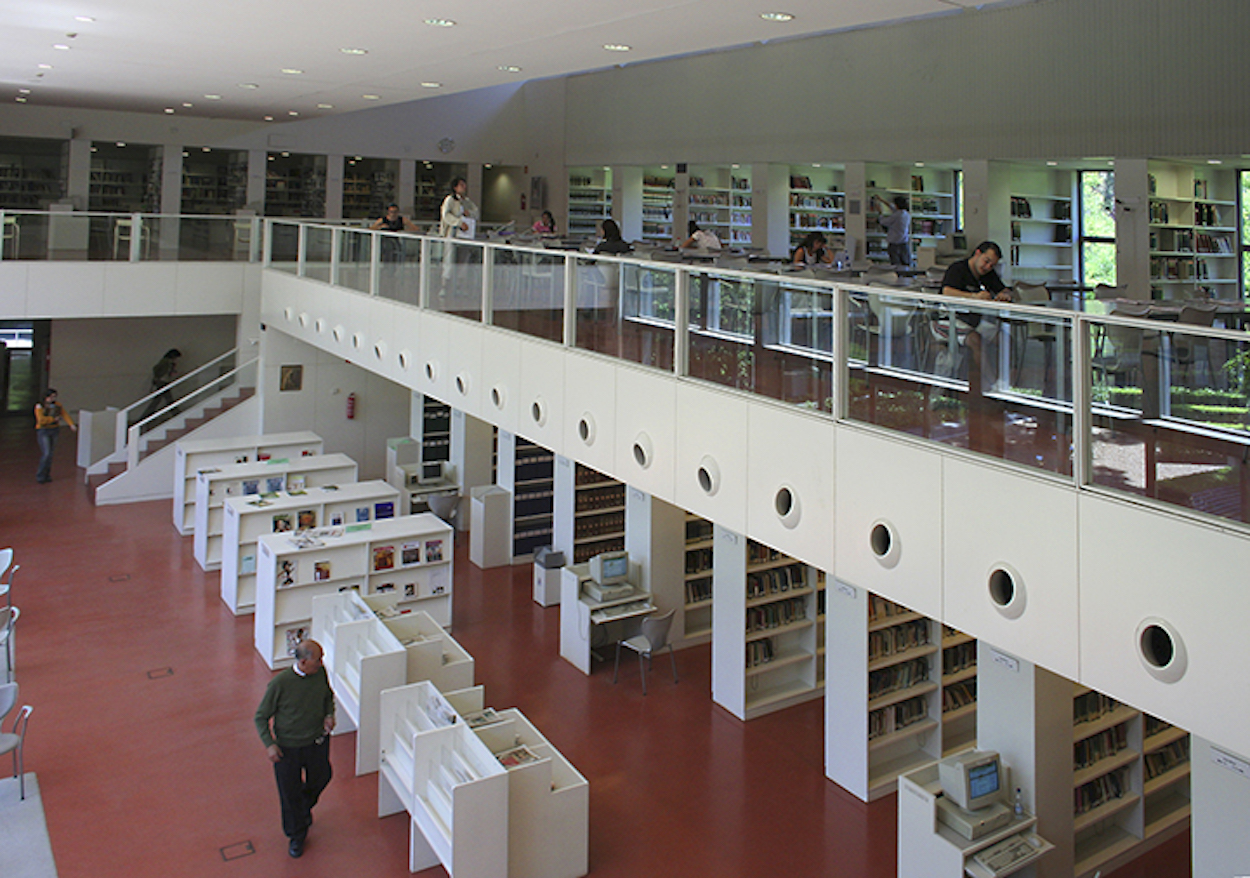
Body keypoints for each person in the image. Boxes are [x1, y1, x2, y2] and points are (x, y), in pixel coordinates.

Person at [254, 639, 336, 859]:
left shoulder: (320, 673)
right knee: (289, 792)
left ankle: (302, 809)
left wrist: (329, 714)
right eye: (317, 660)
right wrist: (269, 744)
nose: (321, 663)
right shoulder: (280, 684)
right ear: (302, 662)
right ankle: (296, 835)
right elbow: (261, 717)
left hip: (316, 741)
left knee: (322, 775)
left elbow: (328, 696)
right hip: (288, 748)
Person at [34, 388, 76, 483]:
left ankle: (47, 474)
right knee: (46, 453)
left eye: (54, 397)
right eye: (51, 397)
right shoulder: (39, 406)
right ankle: (40, 475)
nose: (52, 399)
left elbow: (64, 414)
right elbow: (41, 420)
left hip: (54, 430)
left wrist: (71, 424)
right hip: (44, 430)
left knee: (50, 454)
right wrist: (53, 419)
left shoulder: (57, 405)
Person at [142, 348, 181, 418]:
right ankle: (176, 413)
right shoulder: (166, 362)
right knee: (168, 399)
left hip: (162, 381)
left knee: (158, 400)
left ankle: (145, 416)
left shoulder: (167, 362)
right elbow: (158, 369)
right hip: (162, 381)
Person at [874, 194, 912, 267]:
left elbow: (883, 221)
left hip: (894, 244)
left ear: (897, 205)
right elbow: (892, 207)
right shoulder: (906, 214)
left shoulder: (896, 215)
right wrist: (882, 200)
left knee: (896, 266)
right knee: (906, 265)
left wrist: (880, 212)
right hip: (904, 243)